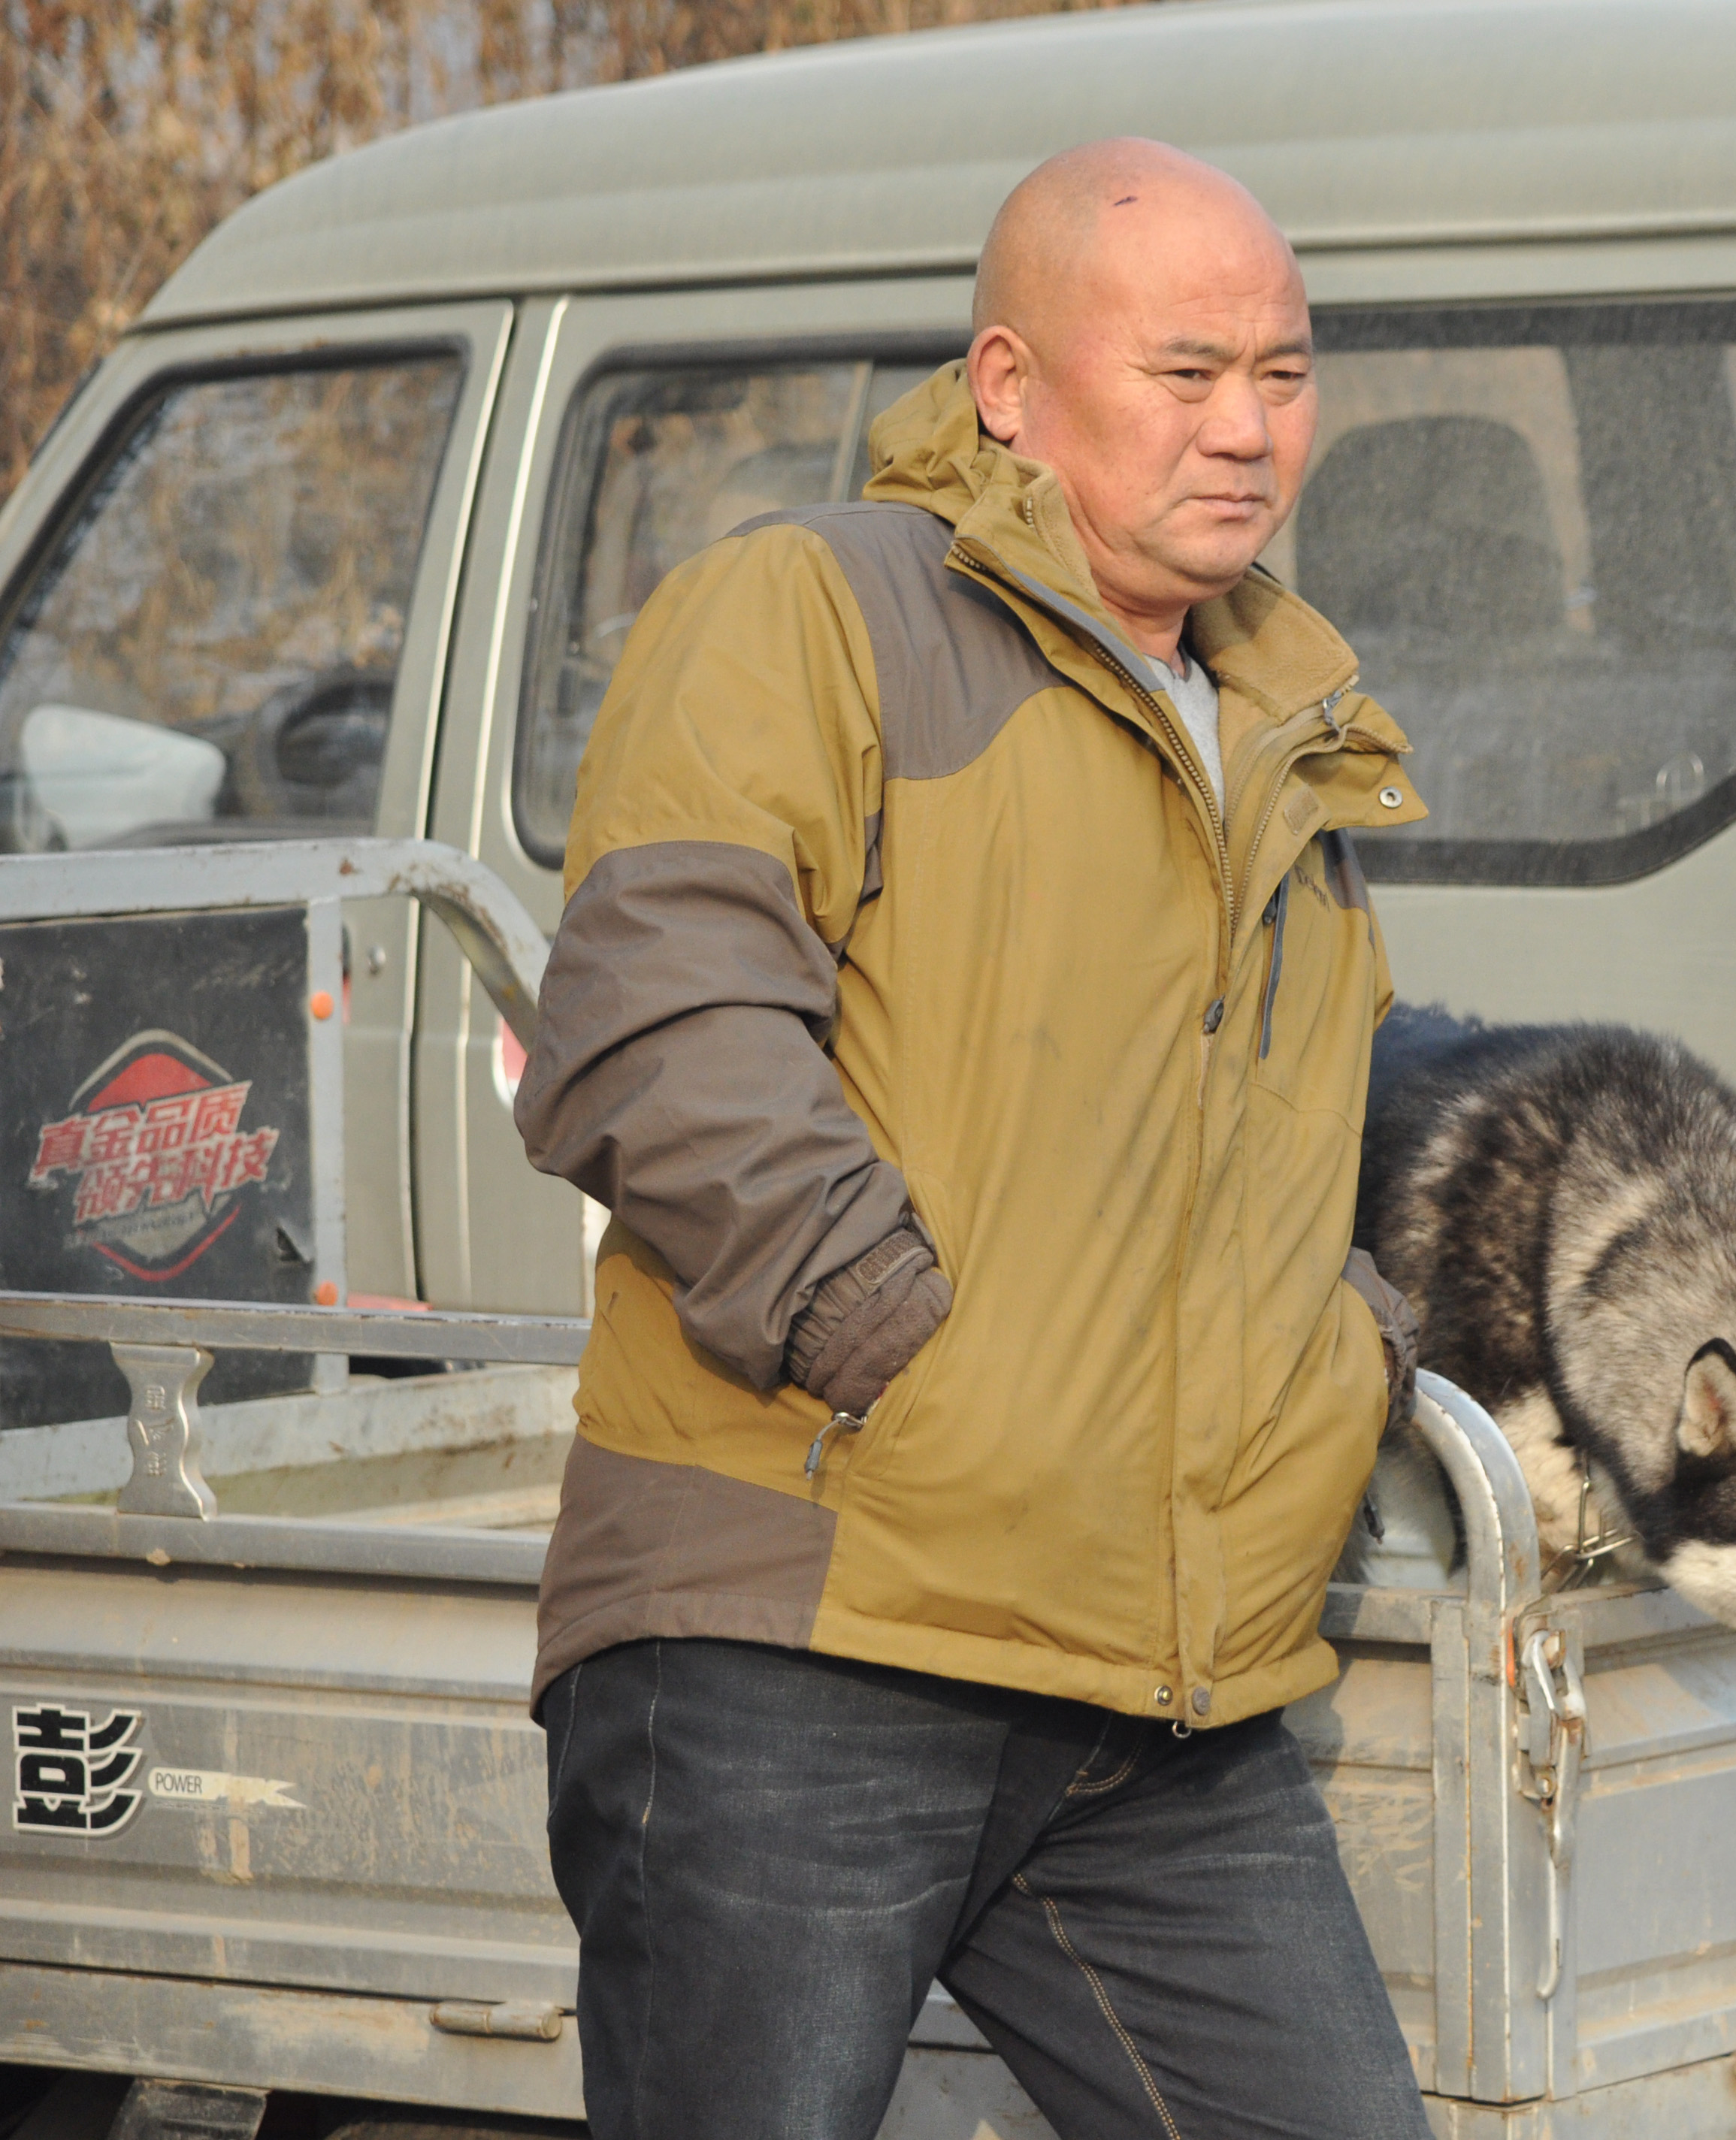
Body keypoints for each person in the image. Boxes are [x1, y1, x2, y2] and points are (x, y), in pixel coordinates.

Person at [512, 138, 1431, 2140]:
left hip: (1154, 1689)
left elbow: (1261, 1132)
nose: (1248, 429)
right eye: (1186, 372)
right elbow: (653, 1024)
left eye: (1283, 373)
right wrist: (902, 1349)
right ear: (1009, 387)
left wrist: (1335, 1346)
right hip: (811, 1640)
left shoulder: (1282, 716)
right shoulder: (812, 611)